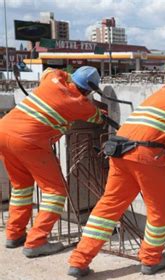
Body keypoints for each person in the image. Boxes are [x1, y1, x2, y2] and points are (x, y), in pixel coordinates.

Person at [68, 59, 165, 277]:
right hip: (148, 156)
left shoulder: (163, 92)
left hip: (120, 150)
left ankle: (79, 260)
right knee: (158, 211)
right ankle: (152, 259)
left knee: (108, 207)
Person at [0, 66, 104, 257]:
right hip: (28, 141)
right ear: (89, 90)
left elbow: (49, 69)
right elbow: (98, 118)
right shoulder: (81, 104)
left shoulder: (52, 79)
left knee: (21, 188)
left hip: (4, 131)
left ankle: (14, 234)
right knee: (55, 192)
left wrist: (67, 78)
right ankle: (36, 241)